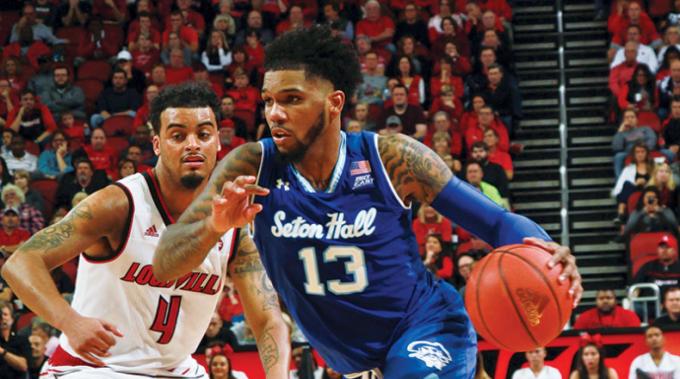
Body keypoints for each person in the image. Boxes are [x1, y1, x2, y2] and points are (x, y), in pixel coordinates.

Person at [156, 26, 583, 378]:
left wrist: (543, 251)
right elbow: (165, 262)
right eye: (269, 101)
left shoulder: (392, 158)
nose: (274, 114)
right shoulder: (252, 166)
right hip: (356, 365)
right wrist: (214, 225)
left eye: (291, 99)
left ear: (334, 103)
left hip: (426, 326)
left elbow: (496, 223)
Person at [1, 82, 290, 377]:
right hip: (94, 368)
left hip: (176, 369)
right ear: (157, 144)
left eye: (203, 134)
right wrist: (69, 321)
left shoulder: (231, 222)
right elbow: (20, 263)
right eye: (178, 135)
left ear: (217, 141)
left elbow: (268, 320)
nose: (193, 144)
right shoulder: (119, 204)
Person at [573, 289, 641, 329]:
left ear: (615, 300)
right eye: (601, 298)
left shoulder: (630, 316)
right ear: (596, 301)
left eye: (609, 298)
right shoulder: (584, 317)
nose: (605, 301)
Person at [0, 300, 30, 379]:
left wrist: (2, 352)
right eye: (0, 315)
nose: (2, 318)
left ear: (12, 319)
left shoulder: (21, 340)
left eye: (5, 314)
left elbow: (24, 366)